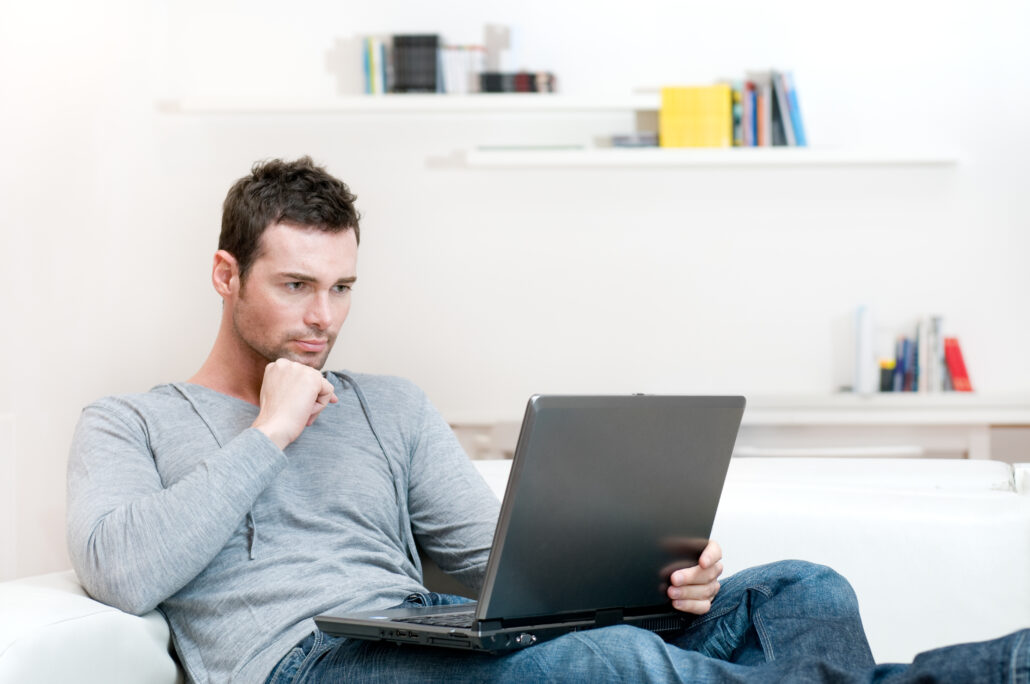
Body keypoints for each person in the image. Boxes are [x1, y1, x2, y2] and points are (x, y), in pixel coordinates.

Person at [66, 157, 1027, 684]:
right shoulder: (130, 422)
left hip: (431, 634)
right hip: (311, 663)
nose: (324, 319)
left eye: (343, 288)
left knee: (802, 593)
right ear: (226, 275)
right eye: (296, 286)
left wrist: (648, 577)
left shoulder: (385, 405)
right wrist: (269, 432)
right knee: (609, 665)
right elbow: (122, 569)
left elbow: (501, 567)